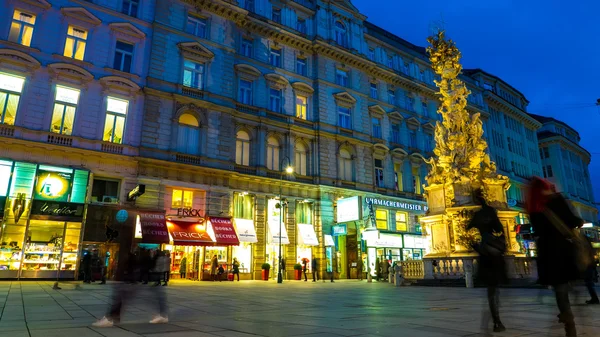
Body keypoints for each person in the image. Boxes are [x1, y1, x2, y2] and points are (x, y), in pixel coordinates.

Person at [527, 177, 584, 337]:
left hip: (548, 253)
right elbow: (573, 221)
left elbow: (537, 231)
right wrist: (578, 221)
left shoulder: (533, 207)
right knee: (566, 284)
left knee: (560, 290)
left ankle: (567, 319)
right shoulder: (556, 200)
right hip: (563, 250)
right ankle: (569, 319)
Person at [92, 251, 169, 328]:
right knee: (154, 296)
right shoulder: (141, 253)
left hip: (138, 277)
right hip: (140, 277)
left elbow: (145, 263)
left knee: (122, 295)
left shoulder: (137, 252)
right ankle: (112, 317)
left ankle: (111, 317)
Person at [468, 188, 507, 333]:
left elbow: (468, 229)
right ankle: (497, 319)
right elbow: (500, 229)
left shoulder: (477, 215)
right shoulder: (491, 212)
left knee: (491, 290)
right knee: (494, 289)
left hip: (485, 255)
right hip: (496, 256)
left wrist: (476, 245)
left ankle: (496, 320)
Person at [583, 237, 598, 304]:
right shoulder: (590, 249)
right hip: (590, 266)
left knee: (589, 283)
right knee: (589, 283)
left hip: (588, 266)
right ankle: (594, 298)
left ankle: (594, 298)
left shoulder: (586, 249)